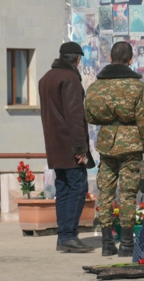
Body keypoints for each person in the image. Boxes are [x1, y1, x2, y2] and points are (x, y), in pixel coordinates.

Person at [84, 42, 144, 257]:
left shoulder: (95, 87)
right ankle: (126, 244)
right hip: (131, 146)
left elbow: (89, 115)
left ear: (110, 58)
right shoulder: (137, 87)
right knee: (127, 193)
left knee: (105, 192)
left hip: (106, 145)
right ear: (130, 60)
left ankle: (107, 243)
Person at [39, 42, 95, 254]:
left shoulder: (46, 78)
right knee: (77, 189)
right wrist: (80, 148)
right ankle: (68, 236)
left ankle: (64, 236)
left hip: (54, 144)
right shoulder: (69, 79)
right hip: (69, 145)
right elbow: (74, 117)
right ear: (77, 60)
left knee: (62, 190)